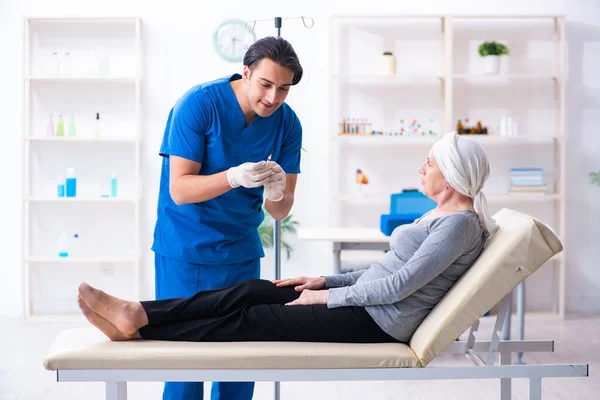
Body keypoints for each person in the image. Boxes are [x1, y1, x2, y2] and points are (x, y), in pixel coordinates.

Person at [78, 132, 498, 352]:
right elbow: (382, 270)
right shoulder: (438, 215)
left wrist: (325, 301)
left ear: (451, 172)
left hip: (379, 321)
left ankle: (142, 333)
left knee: (253, 319)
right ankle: (137, 313)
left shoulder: (459, 225)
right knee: (255, 289)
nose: (421, 168)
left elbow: (399, 286)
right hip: (363, 304)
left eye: (429, 162)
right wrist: (323, 282)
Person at [150, 36, 304, 400]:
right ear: (246, 72)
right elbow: (180, 190)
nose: (272, 98)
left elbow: (280, 212)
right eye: (265, 85)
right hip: (185, 250)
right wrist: (233, 176)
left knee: (240, 363)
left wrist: (278, 192)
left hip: (240, 253)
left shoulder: (287, 125)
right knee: (185, 366)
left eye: (283, 89)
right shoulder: (198, 105)